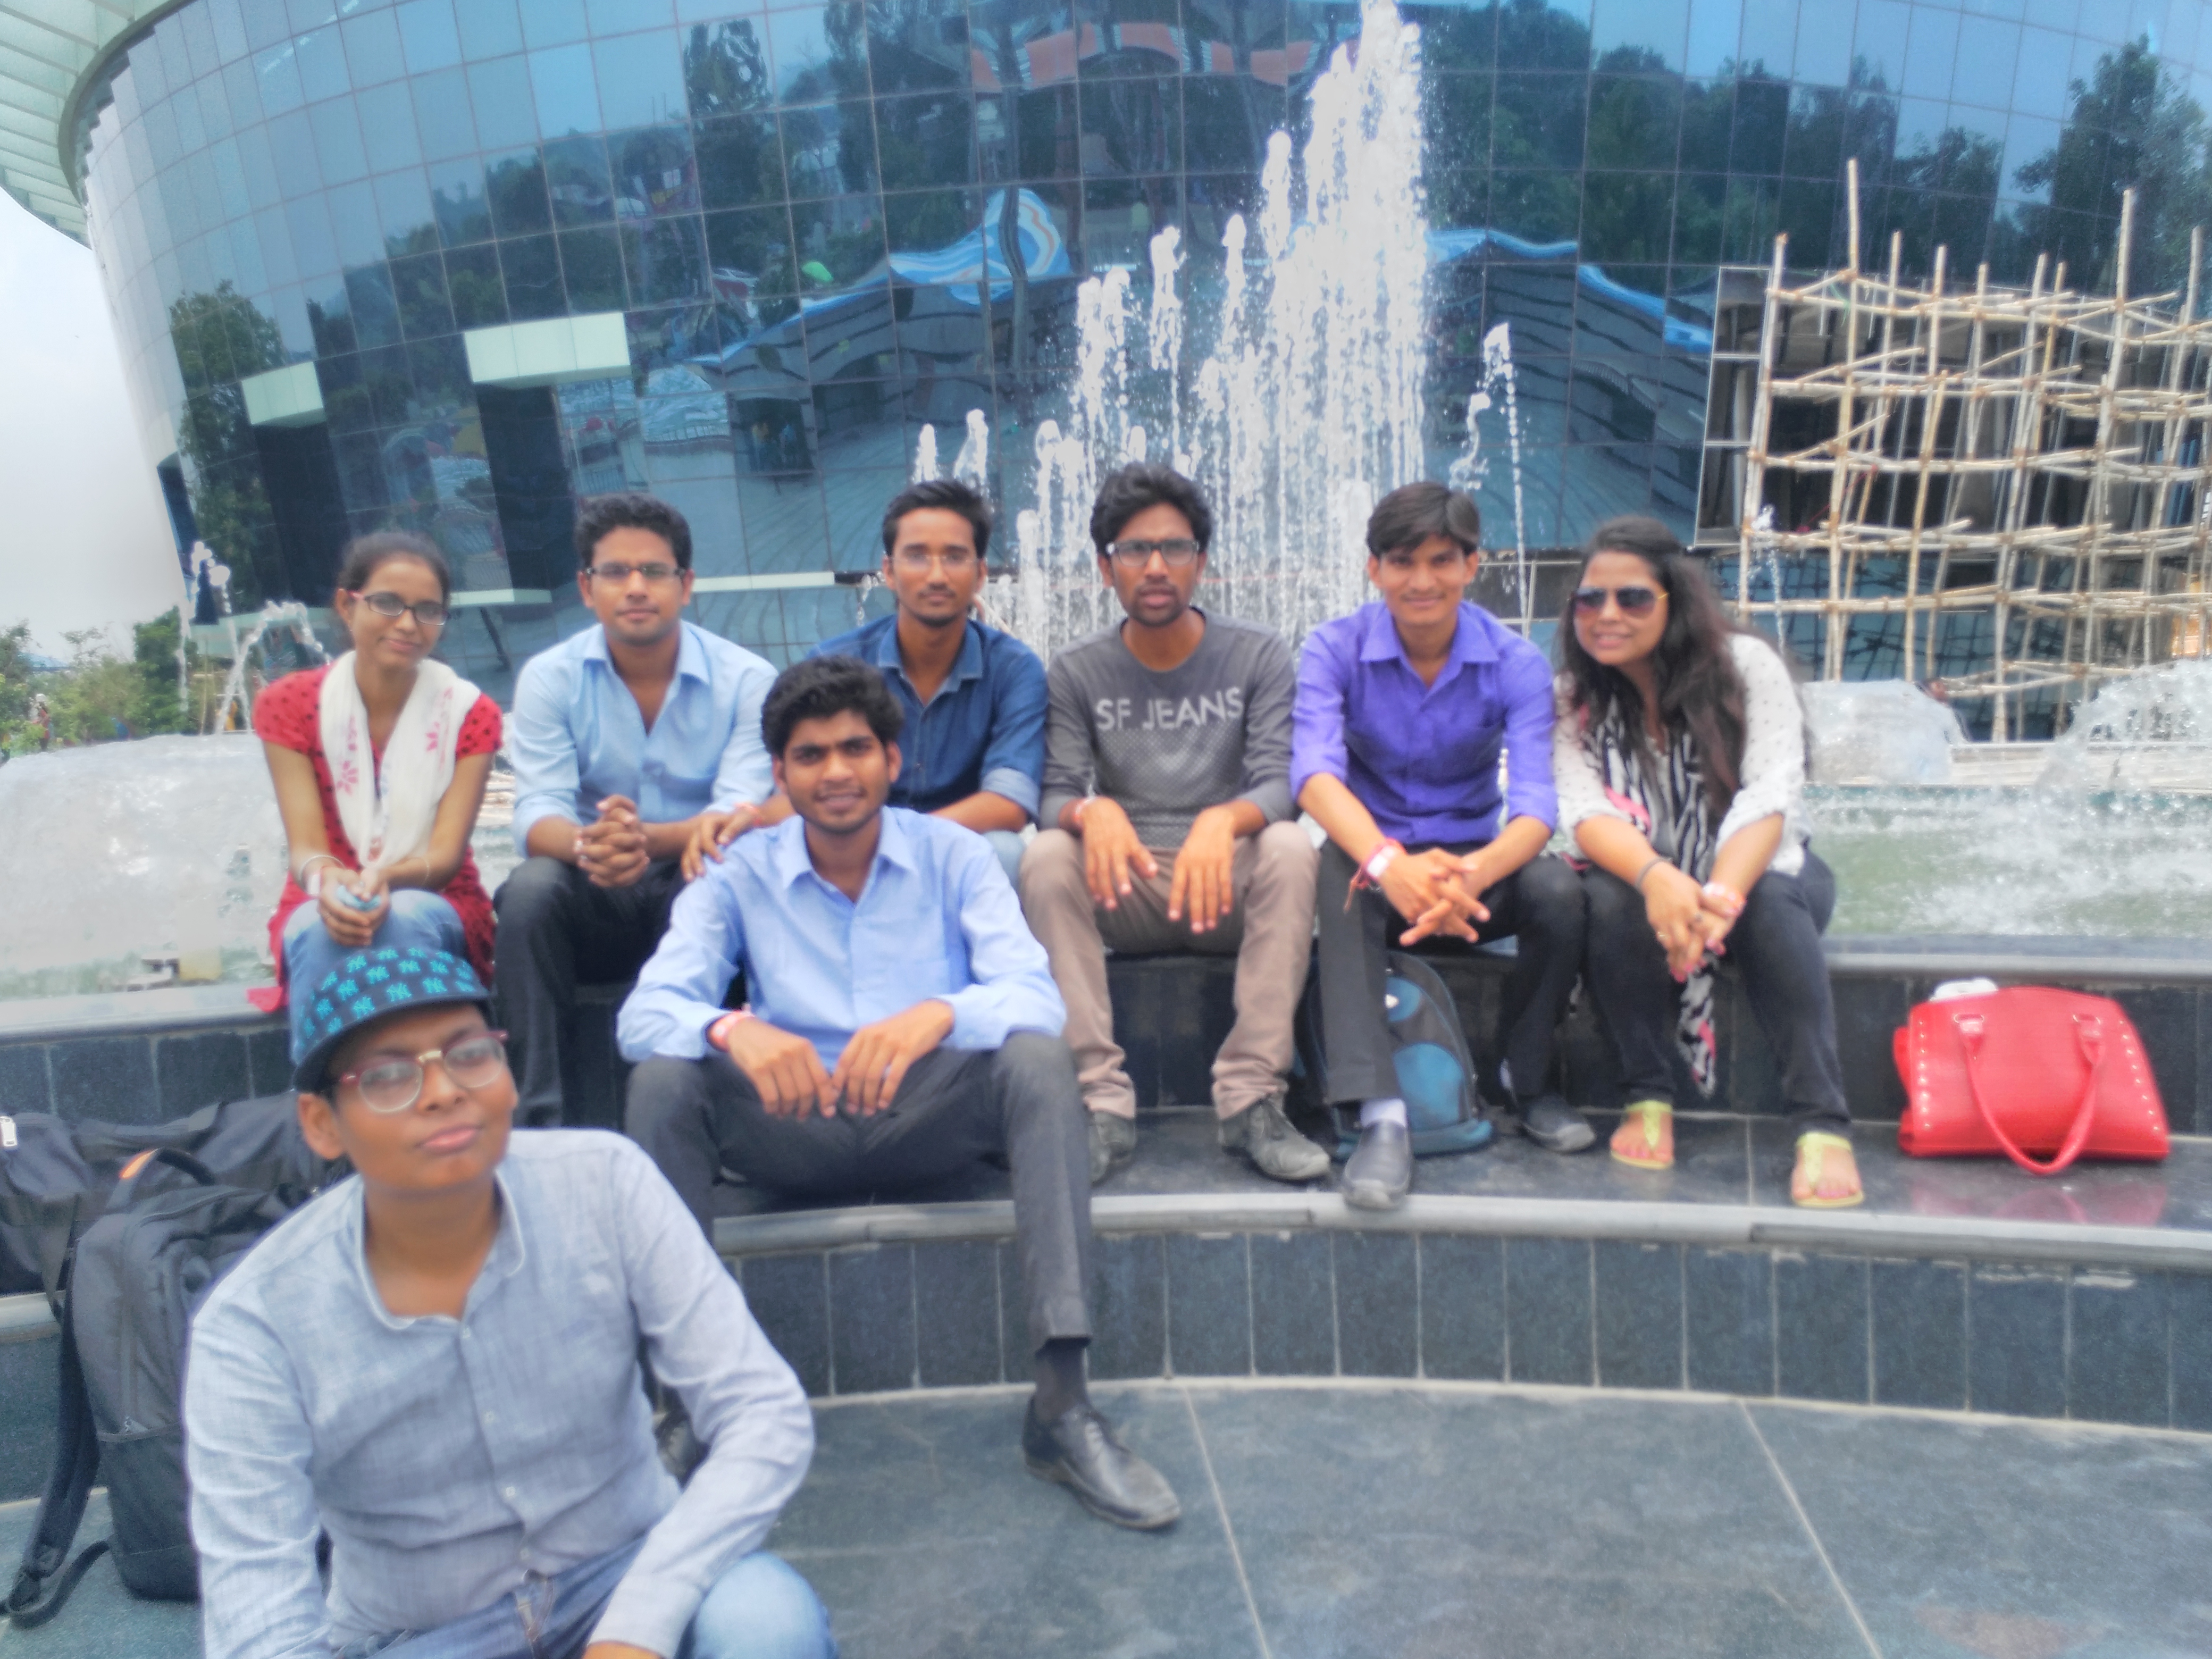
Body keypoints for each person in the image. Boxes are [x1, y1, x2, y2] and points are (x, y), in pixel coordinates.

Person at [621, 657, 1179, 1532]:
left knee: (1037, 1060)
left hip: (927, 1117)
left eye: (855, 749)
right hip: (792, 1124)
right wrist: (731, 1028)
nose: (835, 772)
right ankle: (684, 1407)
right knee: (663, 1080)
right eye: (810, 756)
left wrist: (938, 1014)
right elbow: (644, 1014)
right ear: (780, 775)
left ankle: (1063, 1405)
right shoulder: (738, 872)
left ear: (891, 759)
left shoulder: (953, 855)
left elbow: (1035, 997)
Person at [184, 944, 834, 1659]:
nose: (443, 1091)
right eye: (388, 1076)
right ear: (322, 1124)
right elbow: (259, 1623)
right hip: (424, 1633)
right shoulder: (254, 1323)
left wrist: (640, 1625)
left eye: (469, 1054)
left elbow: (762, 1411)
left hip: (626, 1570)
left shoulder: (604, 1182)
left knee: (767, 1626)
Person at [1018, 464, 1328, 1189]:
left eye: (1175, 548)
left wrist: (1223, 820)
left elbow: (1281, 785)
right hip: (1129, 886)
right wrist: (1094, 811)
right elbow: (1053, 793)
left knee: (1288, 847)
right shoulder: (1077, 670)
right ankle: (1097, 1102)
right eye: (1134, 550)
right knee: (1046, 856)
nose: (1155, 567)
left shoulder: (1257, 653)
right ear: (1106, 568)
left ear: (1201, 562)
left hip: (1226, 885)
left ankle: (1253, 1101)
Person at [1293, 482, 1586, 1212]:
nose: (1421, 581)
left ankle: (1528, 1079)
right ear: (1374, 569)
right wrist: (1389, 865)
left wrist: (1472, 875)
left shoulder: (1515, 663)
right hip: (1379, 872)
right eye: (1402, 562)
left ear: (1471, 565)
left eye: (1441, 561)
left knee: (1558, 890)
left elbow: (1536, 808)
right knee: (1335, 865)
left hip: (1469, 878)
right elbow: (1315, 778)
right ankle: (1379, 1114)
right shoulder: (1334, 648)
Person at [1555, 516, 1861, 1206]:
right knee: (1607, 897)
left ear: (1676, 601)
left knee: (1770, 903)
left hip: (1761, 864)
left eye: (1632, 598)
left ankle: (1821, 1124)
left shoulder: (1744, 668)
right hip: (1647, 873)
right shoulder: (1573, 699)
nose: (1607, 614)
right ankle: (1646, 1093)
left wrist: (1718, 897)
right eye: (1590, 600)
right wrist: (1660, 878)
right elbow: (1584, 813)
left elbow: (1769, 794)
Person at [498, 493, 777, 1124]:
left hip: (692, 881)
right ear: (585, 587)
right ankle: (536, 1122)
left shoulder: (747, 680)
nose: (635, 587)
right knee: (531, 890)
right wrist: (588, 846)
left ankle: (714, 1115)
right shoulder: (549, 678)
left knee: (722, 876)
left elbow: (737, 813)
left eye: (653, 571)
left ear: (686, 584)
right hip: (591, 886)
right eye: (614, 572)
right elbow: (536, 810)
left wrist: (644, 841)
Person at [694, 479, 1045, 888]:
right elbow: (800, 789)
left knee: (1004, 850)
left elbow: (1008, 804)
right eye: (917, 556)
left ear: (981, 573)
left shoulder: (1014, 669)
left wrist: (898, 840)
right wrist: (748, 818)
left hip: (953, 847)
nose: (936, 576)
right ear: (889, 572)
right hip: (848, 844)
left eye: (954, 557)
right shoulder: (835, 664)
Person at [250, 531, 500, 1062]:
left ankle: (415, 1091)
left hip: (438, 895)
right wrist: (332, 881)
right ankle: (324, 1095)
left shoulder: (469, 713)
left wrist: (385, 879)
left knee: (401, 918)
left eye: (428, 611)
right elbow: (307, 848)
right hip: (322, 893)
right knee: (323, 924)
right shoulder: (288, 704)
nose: (408, 624)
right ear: (348, 605)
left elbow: (444, 856)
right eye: (388, 603)